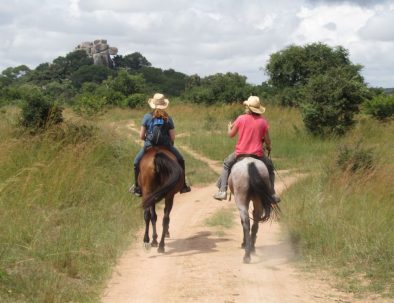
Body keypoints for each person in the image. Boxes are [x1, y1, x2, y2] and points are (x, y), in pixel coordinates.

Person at [213, 96, 280, 203]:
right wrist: (268, 147)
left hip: (240, 153)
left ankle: (222, 191)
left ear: (247, 107)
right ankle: (272, 193)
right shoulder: (263, 122)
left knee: (226, 164)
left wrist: (229, 127)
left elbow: (230, 135)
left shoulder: (241, 118)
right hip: (258, 154)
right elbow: (267, 140)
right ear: (258, 109)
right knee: (270, 169)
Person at [129, 93, 191, 196]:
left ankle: (137, 187)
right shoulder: (168, 118)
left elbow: (141, 136)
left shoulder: (147, 117)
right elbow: (172, 137)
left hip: (149, 146)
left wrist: (148, 141)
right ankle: (183, 185)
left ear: (153, 104)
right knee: (181, 160)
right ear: (164, 105)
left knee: (136, 163)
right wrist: (169, 145)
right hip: (166, 146)